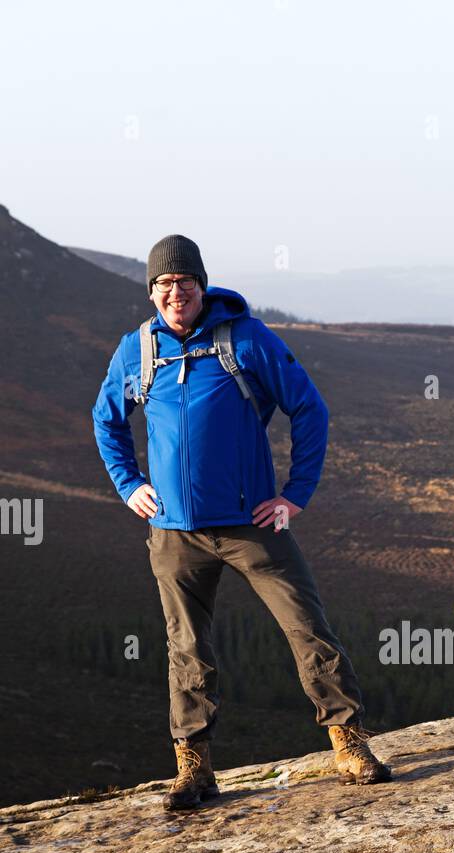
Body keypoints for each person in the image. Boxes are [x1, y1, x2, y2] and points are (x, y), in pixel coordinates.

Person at [93, 233, 391, 810]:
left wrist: (293, 494)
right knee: (186, 647)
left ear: (201, 286)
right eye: (163, 284)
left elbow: (309, 408)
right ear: (152, 292)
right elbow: (106, 420)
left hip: (252, 523)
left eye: (184, 282)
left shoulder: (245, 339)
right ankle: (195, 768)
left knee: (306, 628)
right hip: (175, 531)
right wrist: (129, 485)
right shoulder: (138, 350)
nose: (174, 292)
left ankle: (349, 744)